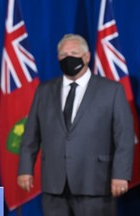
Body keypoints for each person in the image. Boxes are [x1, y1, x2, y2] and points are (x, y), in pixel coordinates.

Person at [17, 34, 134, 216]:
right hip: (54, 186)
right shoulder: (44, 91)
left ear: (86, 56)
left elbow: (124, 137)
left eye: (74, 52)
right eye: (64, 54)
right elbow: (31, 134)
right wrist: (25, 169)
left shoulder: (112, 90)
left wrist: (121, 174)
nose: (68, 57)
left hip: (95, 184)